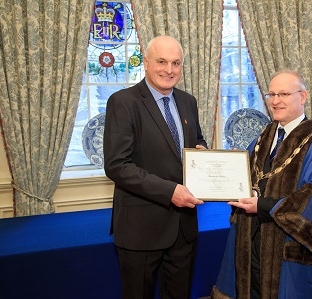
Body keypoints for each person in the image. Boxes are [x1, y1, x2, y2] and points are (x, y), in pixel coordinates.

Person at [212, 70, 312, 299]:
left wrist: (263, 206)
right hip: (251, 238)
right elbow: (253, 176)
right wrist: (232, 168)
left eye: (283, 94)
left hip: (286, 249)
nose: (275, 101)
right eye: (271, 94)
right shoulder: (266, 134)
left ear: (302, 97)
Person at [103, 35, 207, 299]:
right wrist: (170, 191)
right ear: (146, 62)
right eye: (161, 62)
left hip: (184, 228)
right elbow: (117, 166)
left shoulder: (188, 101)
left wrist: (202, 152)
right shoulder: (123, 102)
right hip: (140, 229)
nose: (169, 70)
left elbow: (196, 140)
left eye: (176, 63)